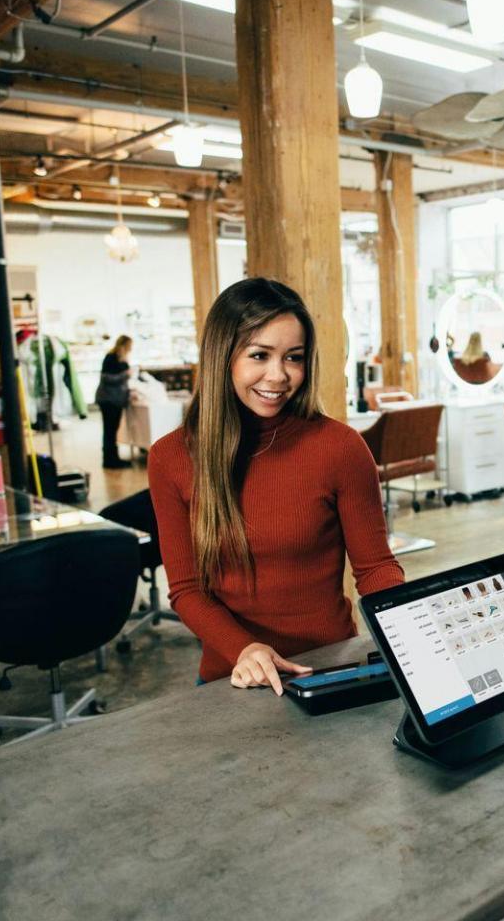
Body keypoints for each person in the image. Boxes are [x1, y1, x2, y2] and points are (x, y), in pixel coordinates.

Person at [148, 278, 405, 690]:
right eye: (259, 355)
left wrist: (408, 625)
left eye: (293, 357)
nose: (279, 375)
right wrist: (245, 648)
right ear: (223, 357)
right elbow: (186, 589)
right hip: (233, 676)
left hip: (328, 668)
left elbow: (375, 568)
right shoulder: (171, 457)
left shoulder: (340, 447)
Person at [95, 335, 134, 469]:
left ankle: (113, 458)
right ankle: (110, 460)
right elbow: (106, 378)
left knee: (112, 430)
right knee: (110, 431)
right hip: (109, 400)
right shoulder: (111, 357)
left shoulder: (120, 358)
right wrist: (126, 374)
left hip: (115, 400)